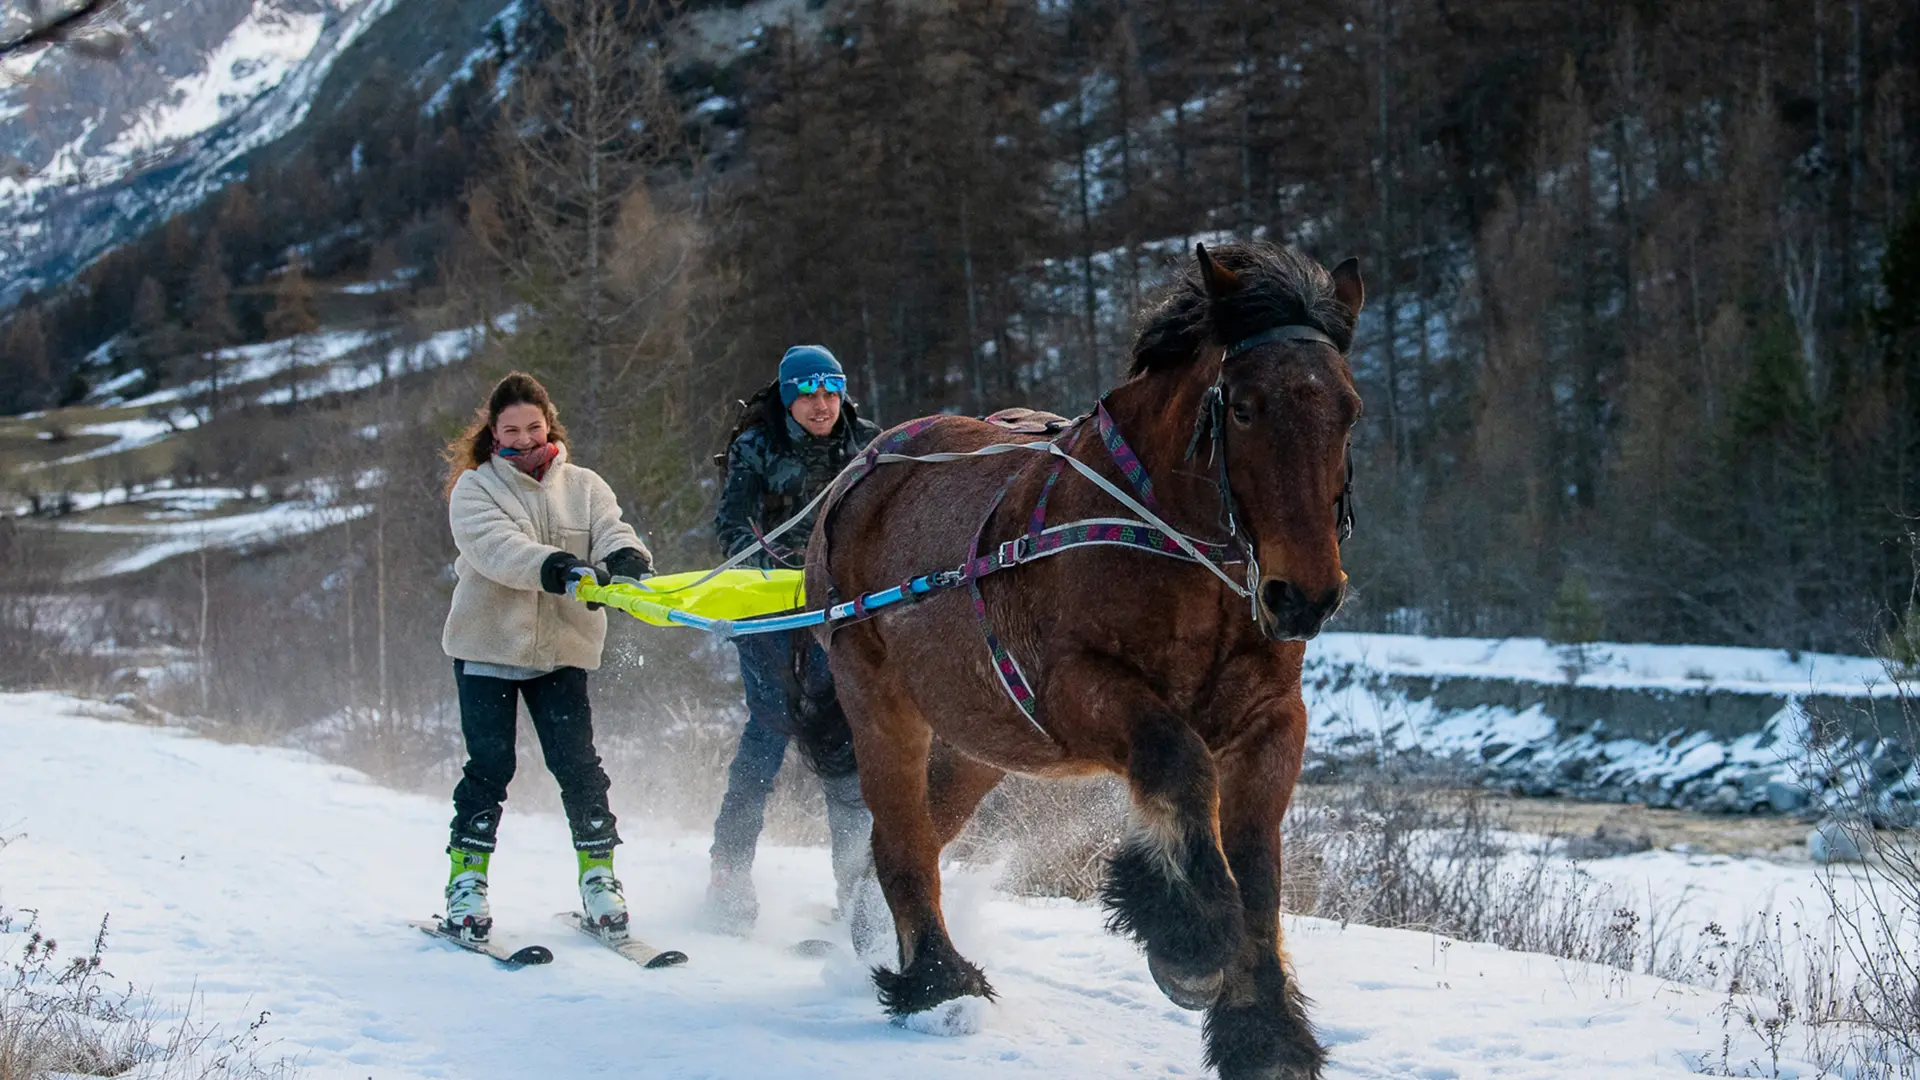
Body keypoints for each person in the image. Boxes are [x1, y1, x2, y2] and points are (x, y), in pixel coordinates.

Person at [437, 372, 655, 943]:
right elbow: (495, 549)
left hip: (562, 651)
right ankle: (467, 882)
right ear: (494, 433)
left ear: (549, 423)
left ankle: (599, 878)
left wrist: (627, 559)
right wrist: (559, 567)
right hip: (488, 650)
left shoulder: (583, 485)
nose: (525, 438)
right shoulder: (475, 488)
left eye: (534, 426)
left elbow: (611, 529)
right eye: (511, 429)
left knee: (579, 766)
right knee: (490, 768)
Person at [704, 345, 880, 934]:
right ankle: (728, 873)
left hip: (840, 610)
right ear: (788, 398)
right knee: (770, 730)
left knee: (843, 741)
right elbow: (730, 525)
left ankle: (856, 891)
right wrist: (764, 561)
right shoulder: (755, 447)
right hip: (769, 608)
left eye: (831, 393)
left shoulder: (869, 444)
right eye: (809, 395)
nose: (822, 405)